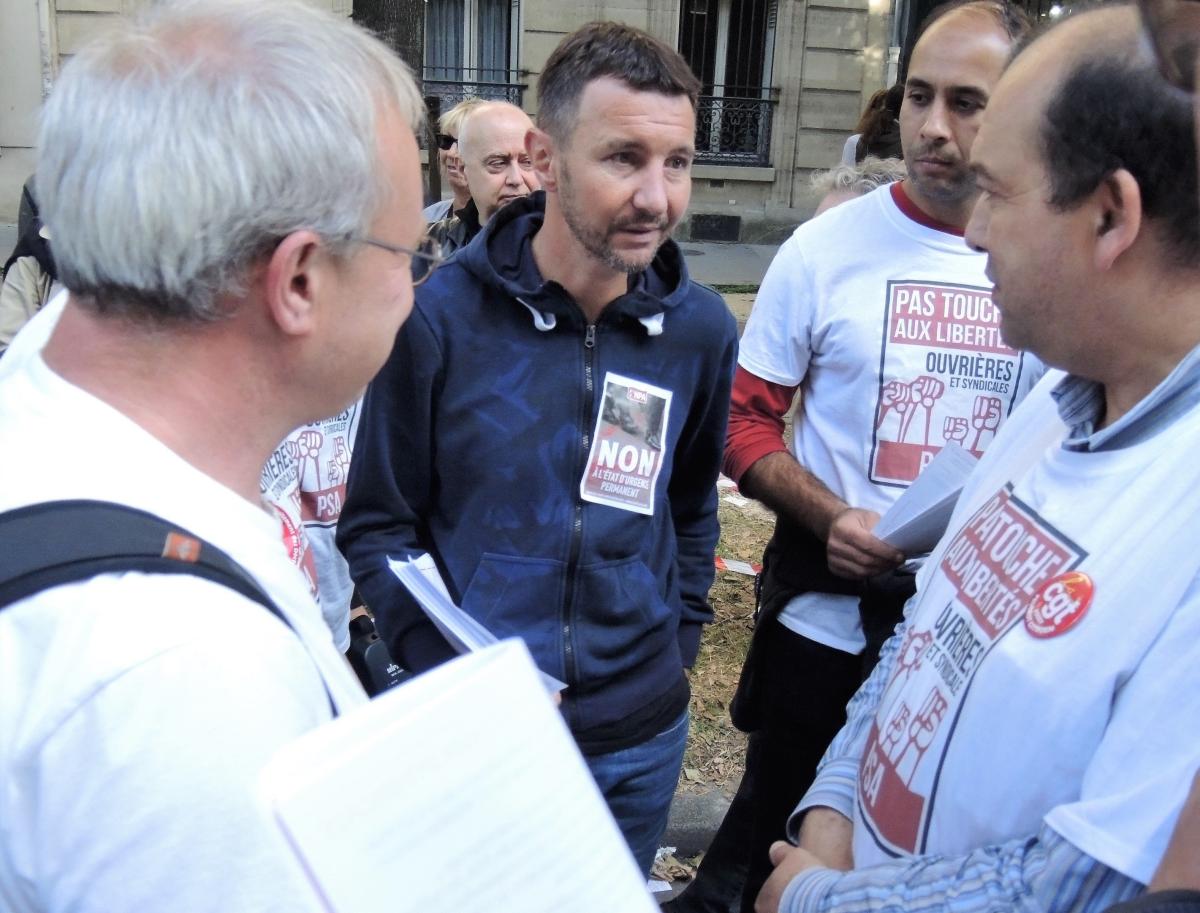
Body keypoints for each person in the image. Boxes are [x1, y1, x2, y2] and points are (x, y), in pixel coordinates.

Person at [758, 6, 1200, 913]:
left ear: (1111, 214)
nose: (971, 231)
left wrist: (815, 903)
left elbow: (1086, 883)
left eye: (997, 192)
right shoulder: (1050, 399)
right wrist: (835, 804)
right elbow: (929, 628)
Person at [0, 3, 429, 910]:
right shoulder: (187, 675)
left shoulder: (47, 382)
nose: (412, 291)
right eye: (407, 254)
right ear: (301, 279)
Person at [338, 20, 738, 876]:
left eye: (678, 163)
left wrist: (676, 653)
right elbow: (378, 527)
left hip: (641, 740)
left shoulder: (699, 331)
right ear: (547, 161)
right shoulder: (436, 319)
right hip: (483, 742)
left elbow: (692, 510)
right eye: (624, 158)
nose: (657, 196)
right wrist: (454, 676)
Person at [675, 5, 1037, 912]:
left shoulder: (1047, 256)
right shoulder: (826, 248)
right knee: (772, 846)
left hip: (968, 643)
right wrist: (829, 516)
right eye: (919, 96)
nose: (934, 128)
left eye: (968, 103)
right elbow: (742, 421)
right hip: (824, 625)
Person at [426, 100, 539, 256]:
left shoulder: (573, 245)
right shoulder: (427, 248)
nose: (516, 179)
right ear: (463, 168)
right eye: (498, 163)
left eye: (527, 162)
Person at [422, 97, 482, 223]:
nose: (451, 153)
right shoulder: (428, 219)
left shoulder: (509, 226)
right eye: (446, 141)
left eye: (464, 143)